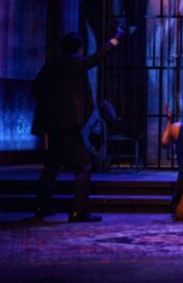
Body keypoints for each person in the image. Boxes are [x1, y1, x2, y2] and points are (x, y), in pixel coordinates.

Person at [32, 27, 124, 222]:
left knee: (52, 165)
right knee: (84, 165)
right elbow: (97, 57)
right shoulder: (75, 63)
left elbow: (36, 89)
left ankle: (41, 206)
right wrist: (115, 39)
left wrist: (50, 108)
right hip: (68, 124)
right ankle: (78, 210)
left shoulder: (50, 67)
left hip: (52, 124)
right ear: (80, 48)